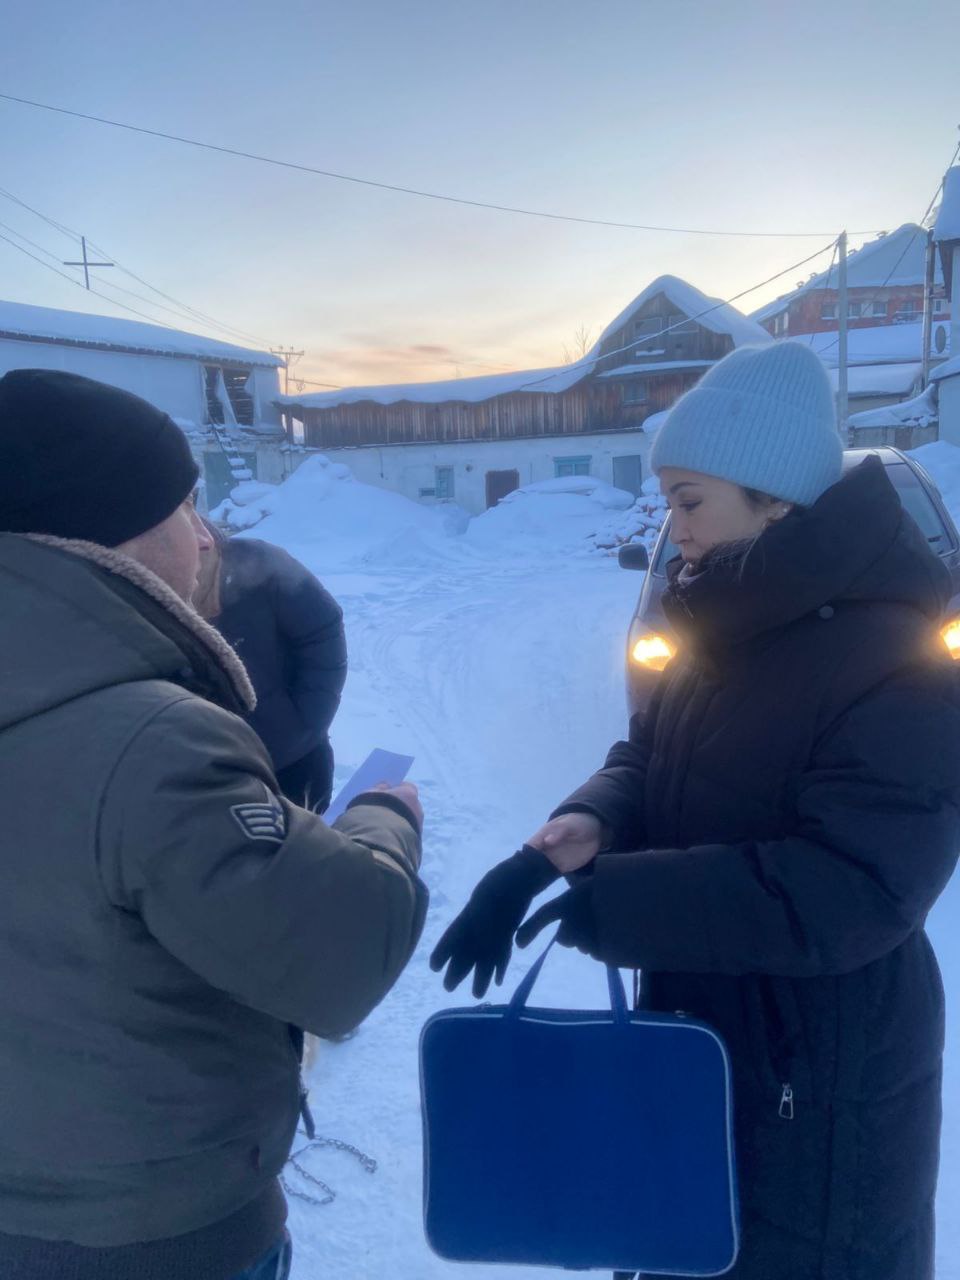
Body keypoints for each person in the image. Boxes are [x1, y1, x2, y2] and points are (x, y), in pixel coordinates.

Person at [432, 342, 960, 1280]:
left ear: (775, 500)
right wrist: (571, 835)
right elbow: (649, 755)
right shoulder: (726, 622)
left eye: (688, 501)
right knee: (683, 1244)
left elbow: (854, 889)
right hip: (708, 1031)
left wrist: (623, 902)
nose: (669, 526)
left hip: (818, 1079)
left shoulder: (900, 656)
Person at [0, 369, 427, 1280]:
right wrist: (383, 817)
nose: (205, 535)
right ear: (100, 531)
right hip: (159, 1236)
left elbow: (321, 641)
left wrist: (292, 734)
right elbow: (343, 952)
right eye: (183, 504)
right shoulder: (151, 742)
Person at [195, 518, 347, 814]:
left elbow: (322, 628)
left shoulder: (258, 561)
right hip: (209, 773)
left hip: (295, 759)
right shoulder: (142, 587)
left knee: (309, 838)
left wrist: (304, 722)